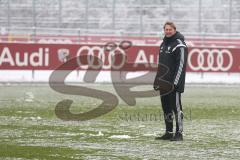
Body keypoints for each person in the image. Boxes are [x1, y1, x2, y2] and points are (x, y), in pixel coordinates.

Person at [153, 21, 188, 141]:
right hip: (163, 84)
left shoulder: (180, 45)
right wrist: (157, 80)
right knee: (166, 108)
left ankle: (179, 133)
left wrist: (175, 83)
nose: (168, 31)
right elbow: (161, 65)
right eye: (166, 29)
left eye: (170, 29)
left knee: (176, 109)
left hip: (174, 84)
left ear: (174, 30)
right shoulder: (163, 44)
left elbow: (181, 65)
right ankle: (168, 132)